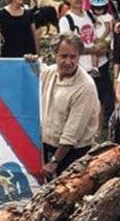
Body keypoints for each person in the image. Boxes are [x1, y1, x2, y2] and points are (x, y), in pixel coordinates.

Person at [39, 33, 101, 177]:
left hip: (71, 153)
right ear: (55, 54)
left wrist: (55, 161)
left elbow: (72, 133)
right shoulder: (49, 73)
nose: (68, 61)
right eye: (63, 56)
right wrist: (28, 62)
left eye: (73, 57)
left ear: (79, 56)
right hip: (47, 147)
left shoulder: (85, 87)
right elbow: (31, 71)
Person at [59, 0, 114, 125]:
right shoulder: (66, 20)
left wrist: (103, 45)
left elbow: (97, 35)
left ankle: (96, 133)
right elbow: (68, 49)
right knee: (79, 104)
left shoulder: (90, 14)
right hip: (80, 68)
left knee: (100, 100)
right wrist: (93, 50)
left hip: (99, 65)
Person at [89, 0, 114, 71]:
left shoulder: (107, 17)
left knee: (95, 50)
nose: (98, 10)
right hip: (96, 39)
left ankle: (95, 67)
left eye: (101, 8)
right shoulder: (91, 16)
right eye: (96, 8)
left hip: (105, 39)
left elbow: (108, 29)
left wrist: (101, 39)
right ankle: (95, 67)